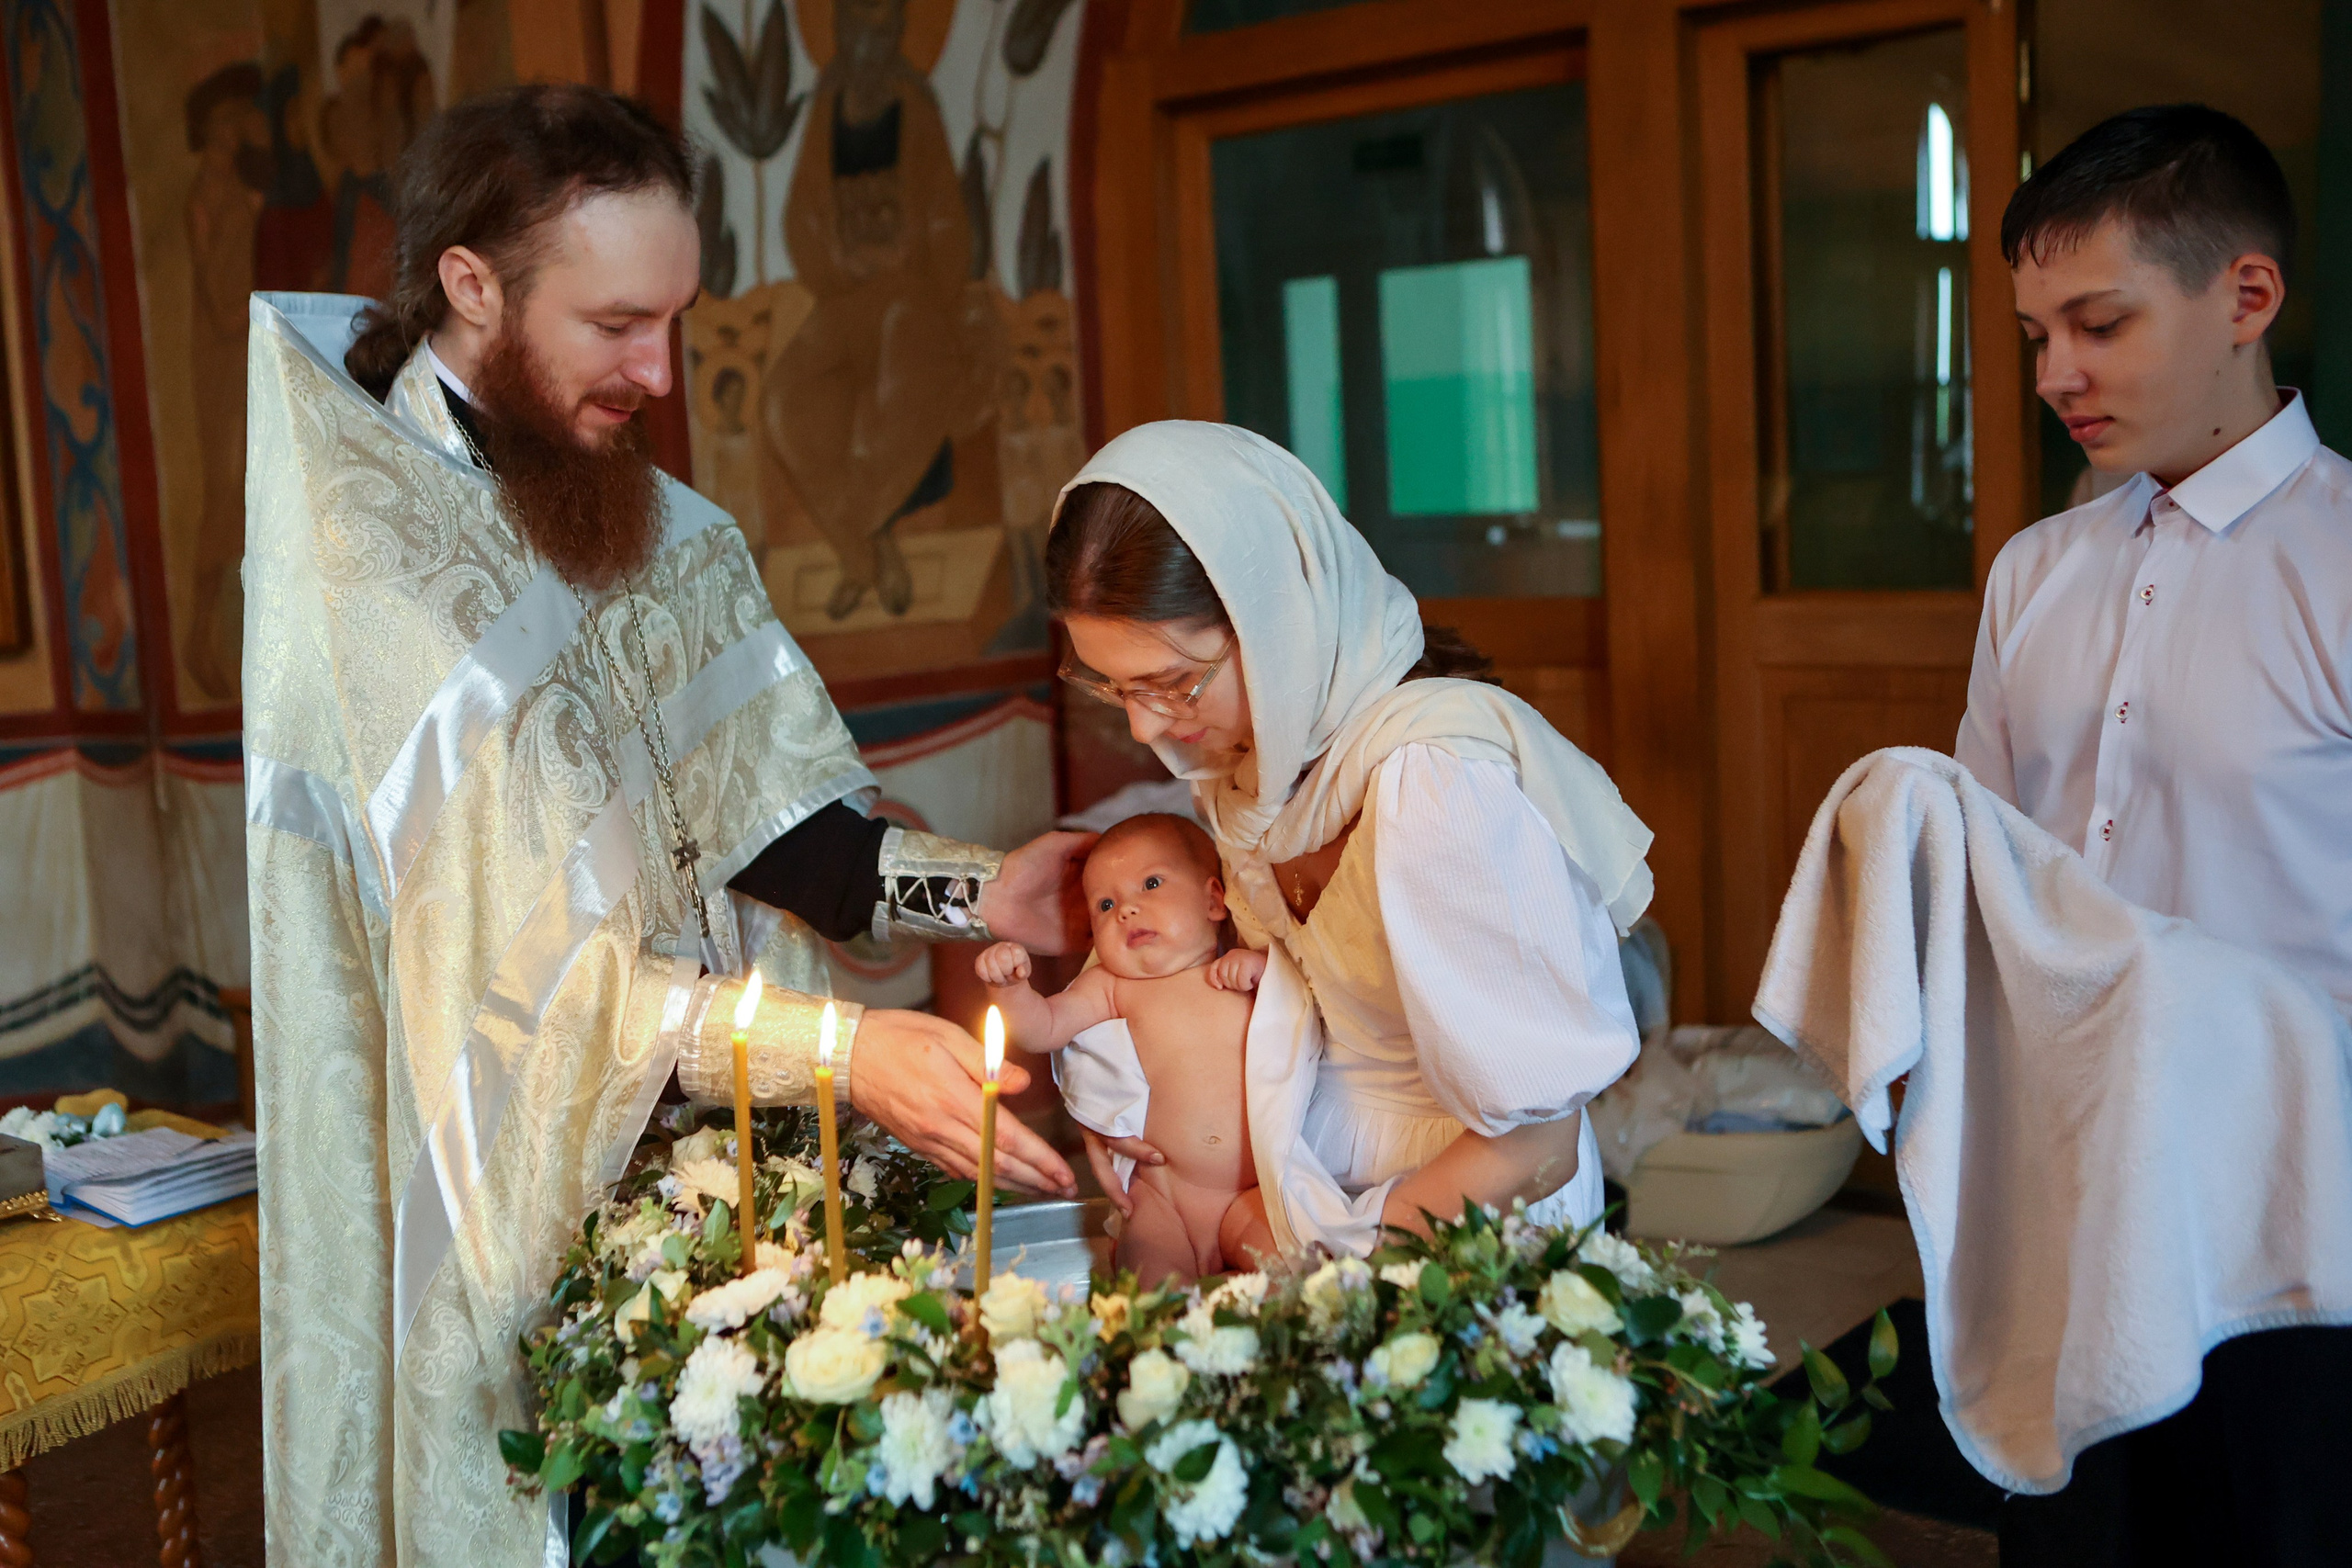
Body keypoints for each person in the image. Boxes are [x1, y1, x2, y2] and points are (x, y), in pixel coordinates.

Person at [243, 85, 1086, 1568]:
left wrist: (981, 894)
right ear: (472, 283)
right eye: (619, 322)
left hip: (736, 1176)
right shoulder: (371, 587)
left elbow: (762, 829)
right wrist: (849, 1052)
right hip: (524, 1212)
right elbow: (513, 1009)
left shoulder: (658, 519)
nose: (660, 368)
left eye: (677, 319)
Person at [1959, 103, 2352, 1566]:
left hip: (2295, 1214)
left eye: (2099, 323)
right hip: (2067, 1179)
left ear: (2246, 297)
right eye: (2033, 335)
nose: (2058, 373)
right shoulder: (2034, 574)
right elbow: (1990, 869)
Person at [1041, 422, 1651, 1259]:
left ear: (1277, 619)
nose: (1147, 726)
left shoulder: (1433, 786)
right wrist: (1124, 1094)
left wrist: (1335, 1265)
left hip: (1461, 1214)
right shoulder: (1253, 763)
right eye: (1113, 685)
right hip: (1302, 1191)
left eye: (1174, 683)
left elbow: (1535, 1146)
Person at [977, 813, 1264, 1285]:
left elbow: (1304, 1018)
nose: (1126, 910)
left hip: (1251, 1196)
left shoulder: (1243, 968)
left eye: (1151, 883)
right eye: (1105, 905)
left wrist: (1261, 968)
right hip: (1162, 1197)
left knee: (1295, 1271)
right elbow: (1043, 1028)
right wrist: (1009, 991)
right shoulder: (1111, 986)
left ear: (1214, 900)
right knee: (1149, 1284)